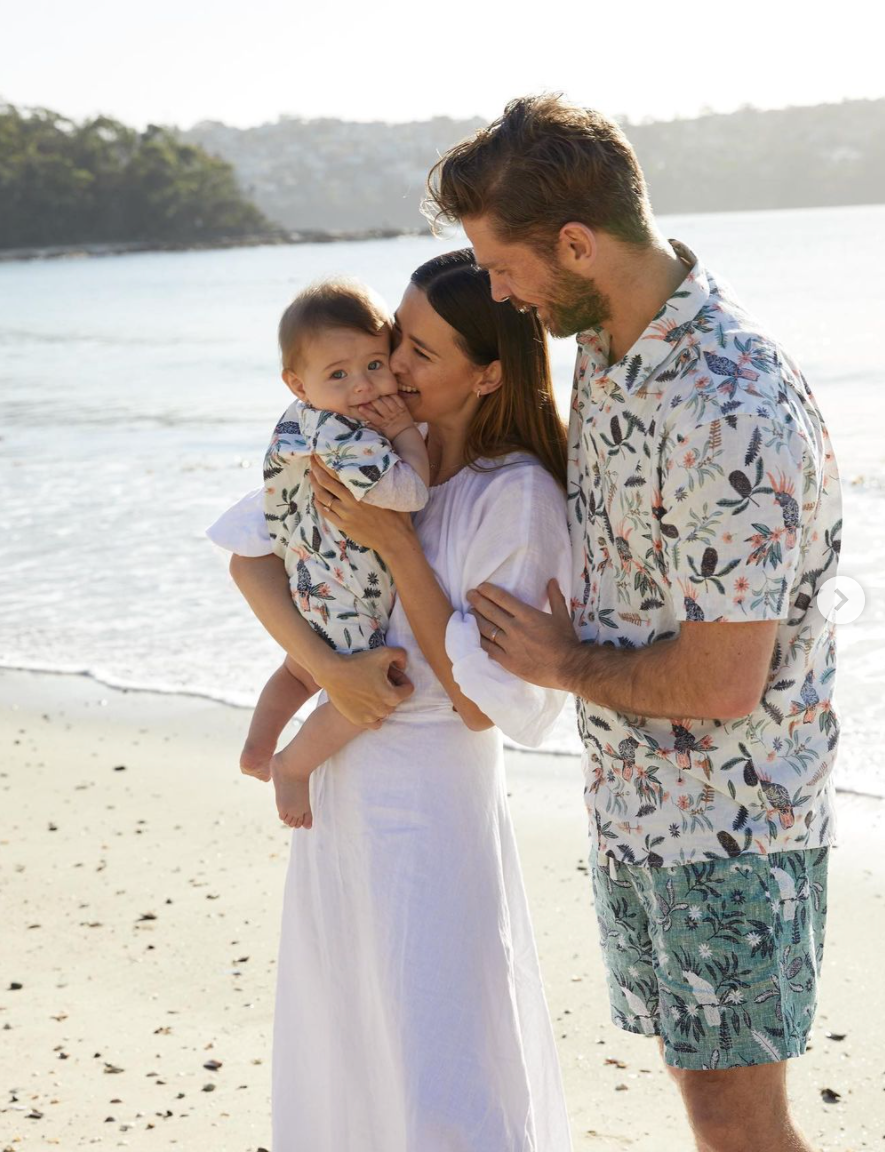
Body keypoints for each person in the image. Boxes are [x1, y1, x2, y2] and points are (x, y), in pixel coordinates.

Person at [427, 95, 842, 1152]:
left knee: (738, 1126)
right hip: (641, 809)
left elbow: (719, 683)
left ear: (575, 242)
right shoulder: (604, 341)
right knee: (704, 1105)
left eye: (502, 264)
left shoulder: (725, 402)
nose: (496, 289)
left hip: (732, 825)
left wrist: (561, 661)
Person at [210, 248, 574, 1150]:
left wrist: (398, 548)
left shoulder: (513, 497)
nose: (390, 370)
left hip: (431, 802)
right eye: (390, 343)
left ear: (487, 373)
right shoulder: (361, 451)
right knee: (352, 1036)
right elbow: (252, 557)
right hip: (341, 789)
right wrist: (324, 674)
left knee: (438, 1045)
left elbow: (480, 703)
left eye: (413, 351)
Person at [207, 278, 429, 829]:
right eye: (339, 374)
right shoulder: (344, 434)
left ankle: (256, 746)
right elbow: (410, 492)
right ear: (297, 382)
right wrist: (407, 434)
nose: (362, 387)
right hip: (347, 583)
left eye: (375, 365)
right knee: (373, 690)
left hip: (305, 572)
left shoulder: (295, 419)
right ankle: (293, 763)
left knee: (299, 667)